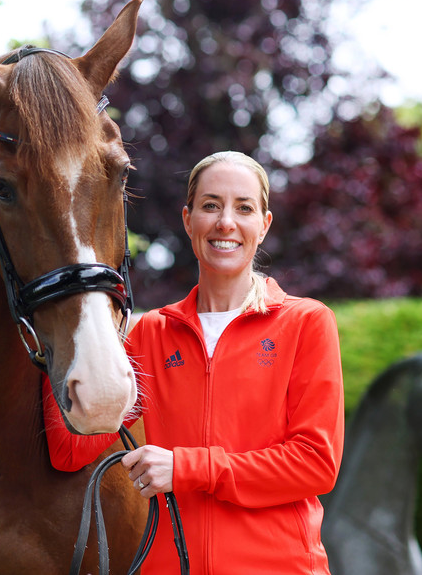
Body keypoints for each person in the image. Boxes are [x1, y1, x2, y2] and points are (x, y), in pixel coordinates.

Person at [42, 151, 345, 574]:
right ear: (188, 220)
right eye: (210, 205)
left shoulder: (306, 323)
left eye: (244, 208)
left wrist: (187, 468)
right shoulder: (150, 334)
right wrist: (64, 326)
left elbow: (315, 464)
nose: (226, 222)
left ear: (264, 224)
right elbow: (69, 448)